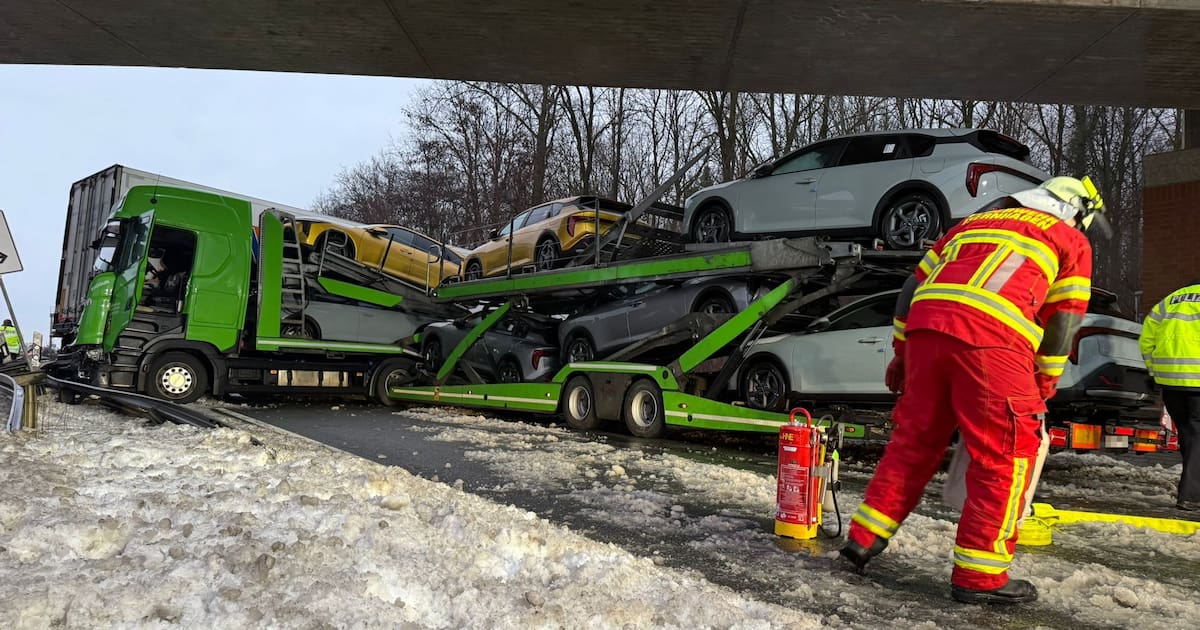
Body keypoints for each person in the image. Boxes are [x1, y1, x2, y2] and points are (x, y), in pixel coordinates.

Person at [839, 176, 1106, 605]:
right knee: (1006, 453)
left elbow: (910, 291)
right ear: (1077, 212)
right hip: (992, 342)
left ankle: (862, 538)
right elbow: (1064, 322)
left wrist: (903, 353)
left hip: (928, 332)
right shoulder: (1069, 239)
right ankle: (980, 576)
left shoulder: (970, 225)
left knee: (913, 443)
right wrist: (1043, 384)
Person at [1139, 280, 1200, 512]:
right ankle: (1191, 496)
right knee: (1196, 435)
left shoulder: (1171, 299)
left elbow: (1147, 339)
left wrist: (1155, 372)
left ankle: (1193, 490)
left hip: (1171, 381)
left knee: (1189, 435)